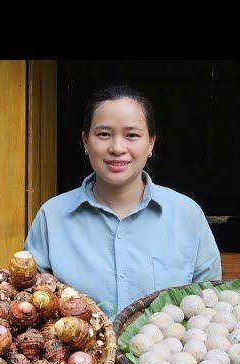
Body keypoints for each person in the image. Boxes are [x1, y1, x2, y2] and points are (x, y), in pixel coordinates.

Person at [24, 85, 221, 319]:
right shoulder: (52, 216)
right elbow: (31, 306)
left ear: (151, 143)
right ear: (86, 142)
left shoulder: (186, 215)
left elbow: (210, 307)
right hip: (79, 355)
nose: (117, 148)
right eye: (104, 134)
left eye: (132, 135)